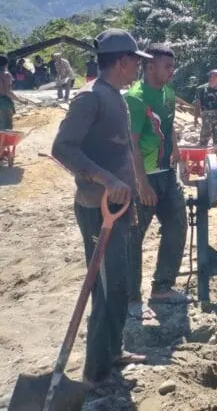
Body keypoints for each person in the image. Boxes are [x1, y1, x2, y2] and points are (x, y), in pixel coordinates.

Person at [51, 29, 151, 386]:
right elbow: (62, 147)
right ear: (123, 61)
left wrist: (132, 189)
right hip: (98, 209)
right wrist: (105, 179)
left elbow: (118, 149)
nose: (139, 67)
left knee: (119, 284)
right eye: (137, 61)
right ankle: (95, 372)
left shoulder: (114, 96)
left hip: (118, 208)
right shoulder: (89, 97)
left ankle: (111, 352)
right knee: (106, 288)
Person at [125, 43, 189, 321]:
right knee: (133, 237)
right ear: (149, 66)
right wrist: (142, 183)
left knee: (178, 224)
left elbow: (169, 122)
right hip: (146, 178)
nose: (171, 72)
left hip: (166, 173)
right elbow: (132, 144)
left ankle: (162, 287)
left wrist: (177, 150)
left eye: (172, 66)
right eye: (167, 66)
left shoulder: (168, 92)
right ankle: (131, 298)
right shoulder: (136, 98)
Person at [195, 69, 217, 148]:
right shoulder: (201, 89)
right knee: (204, 137)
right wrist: (196, 117)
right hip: (206, 117)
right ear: (211, 77)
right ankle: (202, 154)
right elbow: (197, 103)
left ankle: (216, 154)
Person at [0, 54, 19, 130]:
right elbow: (8, 92)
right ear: (6, 64)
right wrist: (20, 100)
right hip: (4, 103)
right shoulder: (6, 75)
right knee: (7, 127)